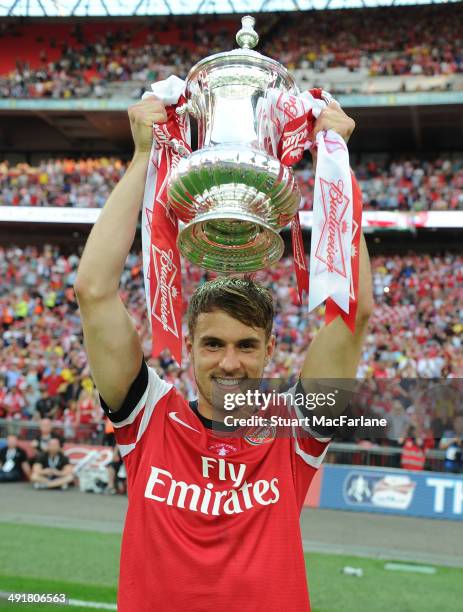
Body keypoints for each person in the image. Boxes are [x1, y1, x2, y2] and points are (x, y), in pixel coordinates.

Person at [74, 96, 373, 611]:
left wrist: (334, 160)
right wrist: (144, 155)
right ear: (187, 345)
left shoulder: (293, 431)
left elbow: (355, 313)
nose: (229, 363)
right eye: (213, 344)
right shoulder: (148, 418)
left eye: (245, 346)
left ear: (269, 350)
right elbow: (93, 292)